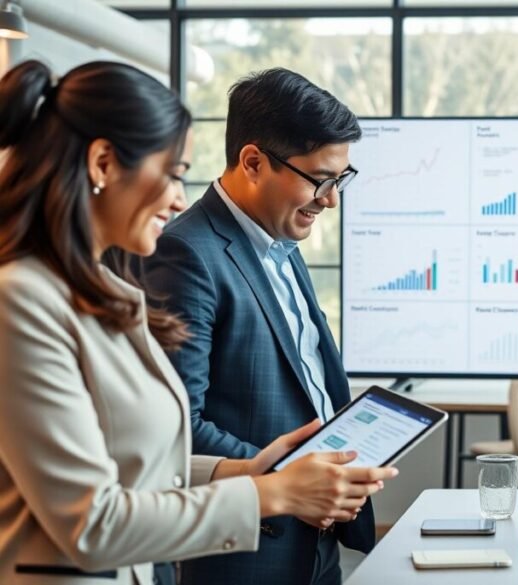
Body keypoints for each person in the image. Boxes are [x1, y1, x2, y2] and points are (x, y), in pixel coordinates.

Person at [0, 60, 397, 585]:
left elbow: (137, 463)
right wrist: (272, 491)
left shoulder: (101, 293)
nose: (179, 198)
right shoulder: (21, 301)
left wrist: (253, 468)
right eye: (171, 175)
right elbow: (91, 522)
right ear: (102, 164)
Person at [138, 68, 374, 585]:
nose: (332, 199)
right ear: (253, 162)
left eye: (341, 179)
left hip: (315, 540)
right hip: (248, 548)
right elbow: (178, 426)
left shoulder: (282, 244)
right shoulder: (185, 253)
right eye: (320, 179)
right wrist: (293, 477)